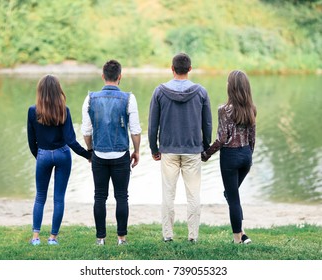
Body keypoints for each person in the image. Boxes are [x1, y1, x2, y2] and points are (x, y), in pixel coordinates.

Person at [148, 53, 212, 242]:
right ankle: (193, 236)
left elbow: (153, 125)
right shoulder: (201, 92)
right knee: (193, 194)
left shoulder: (160, 91)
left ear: (172, 68)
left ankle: (168, 235)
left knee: (168, 194)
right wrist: (205, 147)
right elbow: (207, 124)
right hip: (193, 150)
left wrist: (153, 148)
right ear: (190, 69)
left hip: (168, 150)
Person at [81, 59, 141, 246]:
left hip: (99, 155)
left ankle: (100, 238)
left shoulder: (90, 98)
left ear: (103, 76)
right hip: (121, 155)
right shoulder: (129, 98)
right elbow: (135, 130)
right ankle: (121, 238)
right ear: (120, 77)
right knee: (121, 196)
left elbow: (86, 131)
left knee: (99, 196)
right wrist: (137, 151)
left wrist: (90, 151)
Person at [27, 74, 91, 246]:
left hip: (43, 154)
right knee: (59, 198)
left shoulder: (33, 111)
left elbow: (31, 141)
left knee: (40, 197)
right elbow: (70, 140)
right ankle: (52, 238)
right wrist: (88, 155)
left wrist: (40, 156)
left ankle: (35, 237)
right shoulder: (64, 110)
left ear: (40, 91)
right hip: (63, 155)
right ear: (58, 91)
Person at [202, 70, 257, 244]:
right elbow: (252, 137)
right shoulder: (251, 109)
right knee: (230, 194)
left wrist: (206, 154)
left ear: (231, 88)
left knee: (233, 198)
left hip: (230, 157)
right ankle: (243, 233)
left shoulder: (224, 110)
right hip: (246, 155)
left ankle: (237, 239)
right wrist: (248, 155)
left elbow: (222, 139)